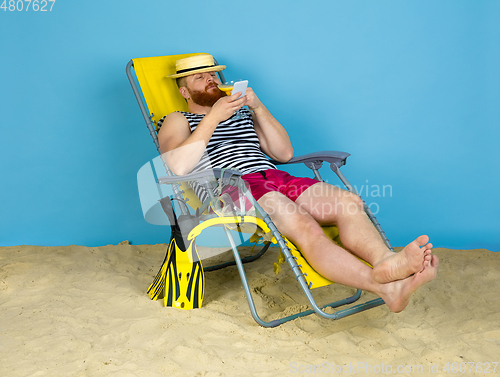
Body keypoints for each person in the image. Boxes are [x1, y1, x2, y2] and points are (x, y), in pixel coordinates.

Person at [157, 54, 438, 313]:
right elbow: (178, 166)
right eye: (199, 77)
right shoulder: (178, 119)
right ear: (184, 92)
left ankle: (387, 262)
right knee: (303, 224)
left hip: (276, 178)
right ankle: (383, 286)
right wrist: (214, 117)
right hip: (232, 188)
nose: (210, 80)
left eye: (213, 75)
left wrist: (257, 106)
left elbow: (284, 153)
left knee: (349, 203)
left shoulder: (241, 114)